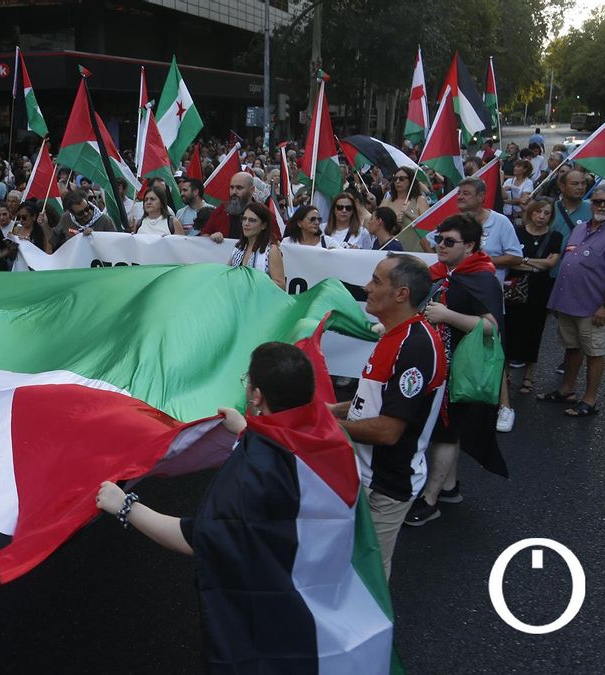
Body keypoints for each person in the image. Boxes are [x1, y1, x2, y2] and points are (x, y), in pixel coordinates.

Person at [96, 342, 384, 672]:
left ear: (257, 395)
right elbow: (293, 461)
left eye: (248, 381)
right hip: (327, 589)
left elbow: (199, 538)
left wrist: (125, 506)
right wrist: (246, 429)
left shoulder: (252, 472)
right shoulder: (330, 436)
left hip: (273, 611)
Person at [332, 254, 446, 577]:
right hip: (366, 475)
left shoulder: (416, 347)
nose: (367, 288)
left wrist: (328, 425)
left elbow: (388, 431)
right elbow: (372, 401)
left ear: (402, 294)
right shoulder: (396, 334)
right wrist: (330, 409)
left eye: (376, 281)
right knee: (352, 563)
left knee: (370, 575)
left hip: (387, 484)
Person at [407, 215, 505, 526]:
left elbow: (491, 327)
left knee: (446, 431)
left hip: (459, 367)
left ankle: (430, 499)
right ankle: (448, 487)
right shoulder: (442, 273)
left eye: (449, 241)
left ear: (471, 246)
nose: (440, 245)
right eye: (439, 239)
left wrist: (448, 315)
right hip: (437, 363)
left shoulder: (482, 278)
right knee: (444, 428)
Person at [538, 185, 605, 417]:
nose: (602, 205)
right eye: (598, 201)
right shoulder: (581, 229)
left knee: (594, 353)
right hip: (568, 303)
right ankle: (566, 390)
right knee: (572, 349)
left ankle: (589, 400)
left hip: (594, 309)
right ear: (591, 203)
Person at [504, 199, 562, 396]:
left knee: (534, 330)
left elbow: (550, 264)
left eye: (546, 213)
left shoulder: (555, 236)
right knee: (510, 328)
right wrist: (535, 263)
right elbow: (510, 262)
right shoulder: (516, 231)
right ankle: (506, 373)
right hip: (514, 288)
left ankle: (529, 375)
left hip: (539, 290)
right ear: (531, 212)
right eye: (538, 212)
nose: (541, 217)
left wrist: (524, 260)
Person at [227, 202, 284, 289]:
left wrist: (251, 281)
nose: (246, 223)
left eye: (252, 220)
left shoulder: (272, 250)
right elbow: (227, 274)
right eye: (244, 218)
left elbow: (281, 286)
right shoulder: (238, 248)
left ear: (263, 225)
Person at [378, 167, 429, 252]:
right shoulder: (386, 202)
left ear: (410, 181)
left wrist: (411, 215)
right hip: (391, 252)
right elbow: (376, 225)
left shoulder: (420, 200)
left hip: (414, 252)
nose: (397, 181)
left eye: (402, 179)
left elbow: (428, 228)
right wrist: (392, 222)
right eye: (395, 179)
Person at [200, 172, 255, 243]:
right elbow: (205, 234)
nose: (234, 192)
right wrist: (212, 237)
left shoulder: (262, 213)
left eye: (239, 188)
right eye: (232, 187)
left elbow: (271, 242)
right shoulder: (221, 210)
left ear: (252, 190)